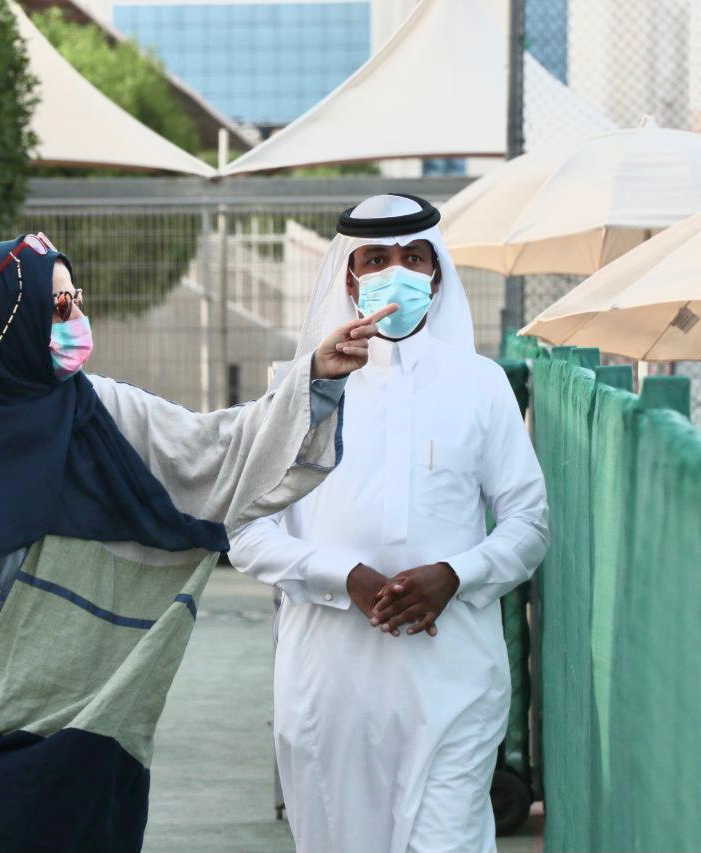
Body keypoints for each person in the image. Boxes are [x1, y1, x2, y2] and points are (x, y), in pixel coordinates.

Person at [0, 233, 394, 853]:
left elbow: (217, 450)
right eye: (59, 306)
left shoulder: (104, 412)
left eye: (76, 298)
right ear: (6, 326)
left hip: (87, 731)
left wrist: (313, 378)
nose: (77, 317)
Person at [229, 194, 549, 853]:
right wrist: (342, 576)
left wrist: (455, 575)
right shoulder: (299, 390)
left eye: (413, 257)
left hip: (453, 675)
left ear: (437, 273)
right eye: (376, 259)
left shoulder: (481, 385)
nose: (396, 271)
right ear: (350, 279)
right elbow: (246, 533)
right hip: (331, 685)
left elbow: (529, 523)